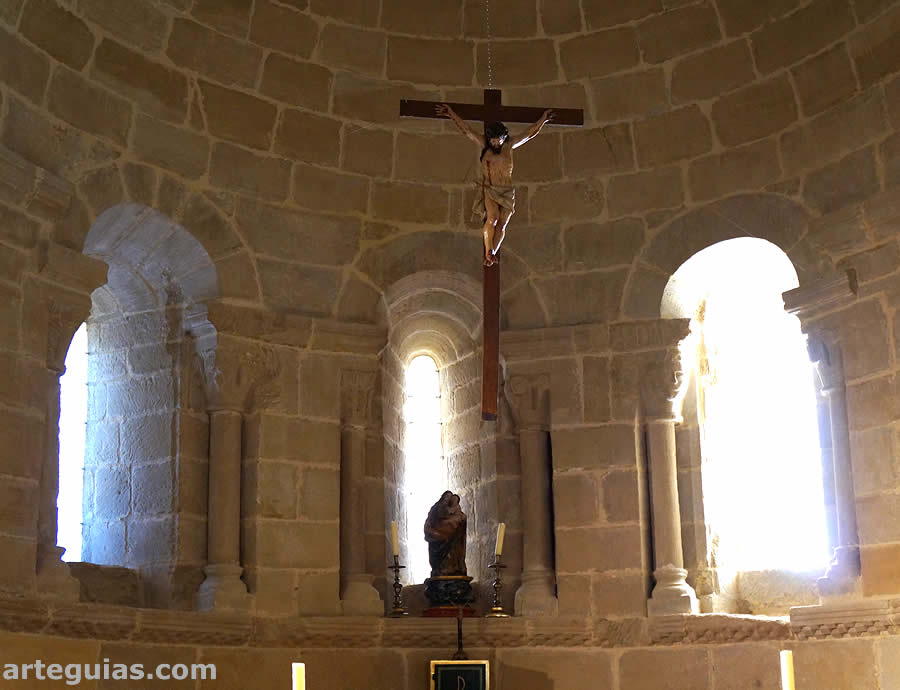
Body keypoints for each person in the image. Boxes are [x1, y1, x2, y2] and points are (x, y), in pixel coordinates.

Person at [435, 104, 554, 266]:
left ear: (504, 137)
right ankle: (488, 250)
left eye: (498, 141)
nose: (495, 144)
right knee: (492, 219)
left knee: (503, 224)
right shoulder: (484, 144)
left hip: (507, 191)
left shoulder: (509, 145)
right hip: (490, 189)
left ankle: (491, 253)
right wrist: (451, 114)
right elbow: (467, 130)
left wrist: (543, 119)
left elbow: (529, 133)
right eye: (493, 141)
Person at [424, 491, 467, 577]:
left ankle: (455, 567)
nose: (448, 499)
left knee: (452, 556)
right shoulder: (435, 510)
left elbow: (460, 522)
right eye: (446, 497)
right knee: (441, 564)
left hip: (452, 542)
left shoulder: (457, 511)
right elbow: (428, 527)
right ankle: (441, 568)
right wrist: (437, 533)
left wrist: (455, 523)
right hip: (437, 541)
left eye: (450, 498)